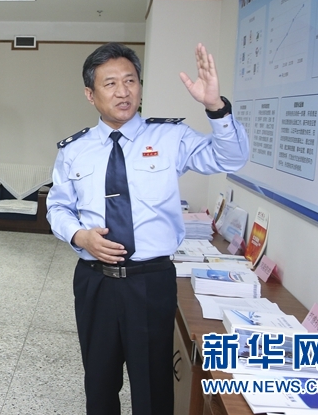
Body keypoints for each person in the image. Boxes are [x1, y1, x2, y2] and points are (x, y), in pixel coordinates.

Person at [46, 42, 249, 415]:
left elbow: (231, 157)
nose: (123, 92)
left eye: (130, 81)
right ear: (90, 94)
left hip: (150, 280)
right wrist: (79, 235)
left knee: (153, 387)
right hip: (95, 281)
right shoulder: (74, 149)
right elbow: (57, 206)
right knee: (99, 383)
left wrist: (216, 108)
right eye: (110, 83)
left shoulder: (170, 137)